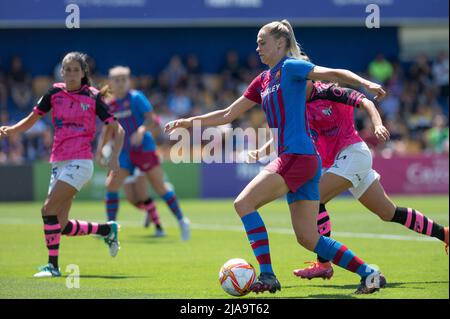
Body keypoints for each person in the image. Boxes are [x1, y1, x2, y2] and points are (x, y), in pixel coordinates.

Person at [166, 19, 388, 294]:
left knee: (244, 203)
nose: (257, 47)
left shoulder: (292, 67)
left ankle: (268, 275)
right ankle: (370, 273)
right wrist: (190, 121)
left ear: (281, 43)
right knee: (308, 238)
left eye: (262, 42)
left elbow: (333, 74)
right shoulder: (263, 80)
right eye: (257, 43)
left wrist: (367, 83)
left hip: (296, 156)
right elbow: (227, 114)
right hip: (304, 160)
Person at [250, 80, 449, 280]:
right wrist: (261, 151)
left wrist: (378, 124)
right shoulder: (298, 106)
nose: (294, 87)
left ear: (308, 77)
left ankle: (324, 264)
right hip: (343, 162)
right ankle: (445, 234)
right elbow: (287, 134)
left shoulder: (330, 91)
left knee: (315, 197)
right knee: (389, 212)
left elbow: (366, 102)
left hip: (354, 153)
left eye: (298, 81)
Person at [0, 52, 125, 278]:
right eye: (67, 70)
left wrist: (114, 157)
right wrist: (11, 130)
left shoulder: (93, 97)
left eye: (76, 70)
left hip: (80, 161)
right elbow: (32, 118)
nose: (71, 74)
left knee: (47, 209)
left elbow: (118, 129)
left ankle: (53, 267)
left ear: (83, 72)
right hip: (59, 161)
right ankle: (108, 229)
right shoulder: (54, 93)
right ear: (62, 72)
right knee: (62, 224)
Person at [97, 66, 190, 241]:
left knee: (160, 188)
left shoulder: (137, 98)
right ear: (111, 83)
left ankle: (182, 221)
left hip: (144, 149)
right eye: (117, 80)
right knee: (111, 186)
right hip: (124, 152)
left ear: (129, 81)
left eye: (124, 79)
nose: (121, 83)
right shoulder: (110, 105)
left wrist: (141, 130)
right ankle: (111, 228)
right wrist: (100, 149)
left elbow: (152, 119)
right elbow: (107, 130)